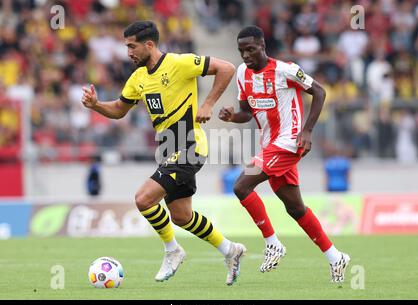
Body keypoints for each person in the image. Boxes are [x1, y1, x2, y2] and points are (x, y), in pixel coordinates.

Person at [81, 21, 246, 285]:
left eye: (132, 46)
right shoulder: (137, 78)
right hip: (168, 149)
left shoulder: (179, 63)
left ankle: (173, 251)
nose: (129, 53)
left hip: (189, 144)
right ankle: (230, 249)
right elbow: (120, 109)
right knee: (181, 216)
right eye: (126, 47)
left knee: (144, 199)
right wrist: (96, 105)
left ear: (149, 44)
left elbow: (226, 68)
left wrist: (208, 104)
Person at [218, 25, 350, 283]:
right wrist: (233, 116)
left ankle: (273, 243)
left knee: (242, 185)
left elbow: (320, 91)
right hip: (270, 145)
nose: (245, 55)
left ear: (262, 46)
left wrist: (308, 131)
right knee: (295, 208)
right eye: (241, 50)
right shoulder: (243, 74)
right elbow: (247, 112)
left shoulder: (285, 70)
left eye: (250, 49)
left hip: (289, 142)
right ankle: (336, 257)